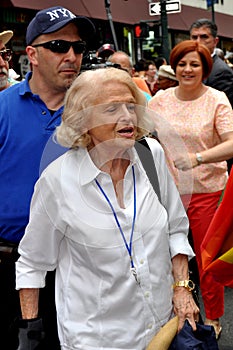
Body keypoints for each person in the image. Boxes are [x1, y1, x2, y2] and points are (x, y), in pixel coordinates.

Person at [16, 67, 199, 350]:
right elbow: (32, 263)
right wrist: (30, 336)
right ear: (83, 120)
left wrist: (182, 288)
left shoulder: (151, 155)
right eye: (112, 109)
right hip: (97, 338)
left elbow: (176, 228)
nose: (127, 117)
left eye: (130, 106)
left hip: (162, 327)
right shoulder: (57, 181)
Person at [0, 6, 95, 350]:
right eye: (58, 47)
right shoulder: (2, 108)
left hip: (75, 269)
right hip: (7, 268)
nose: (71, 56)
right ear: (32, 55)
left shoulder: (94, 115)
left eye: (79, 48)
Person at [148, 40, 233, 339]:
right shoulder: (159, 100)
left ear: (205, 68)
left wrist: (198, 158)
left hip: (206, 191)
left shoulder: (217, 99)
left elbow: (231, 142)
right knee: (162, 255)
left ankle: (213, 317)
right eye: (182, 63)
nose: (187, 69)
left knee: (205, 258)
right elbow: (142, 133)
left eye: (194, 64)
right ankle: (167, 314)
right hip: (165, 193)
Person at [189, 18, 233, 108]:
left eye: (204, 37)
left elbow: (222, 108)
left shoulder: (221, 71)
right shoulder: (187, 67)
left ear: (215, 41)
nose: (198, 41)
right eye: (194, 37)